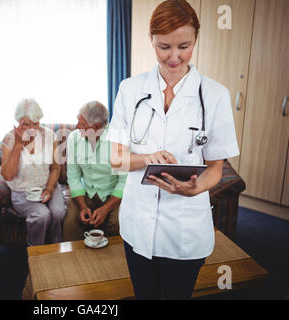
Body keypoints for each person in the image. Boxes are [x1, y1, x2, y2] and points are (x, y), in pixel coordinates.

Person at [107, 0, 239, 299]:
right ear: (151, 40)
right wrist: (146, 158)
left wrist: (194, 189)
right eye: (163, 47)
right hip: (138, 222)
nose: (174, 57)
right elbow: (116, 159)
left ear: (196, 39)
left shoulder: (215, 95)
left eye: (184, 46)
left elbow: (216, 167)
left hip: (185, 226)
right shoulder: (130, 89)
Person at [0, 98, 66, 246]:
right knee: (42, 215)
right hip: (22, 191)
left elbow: (56, 167)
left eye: (36, 124)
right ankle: (36, 253)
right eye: (27, 125)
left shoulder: (49, 135)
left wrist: (49, 188)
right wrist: (18, 145)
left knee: (58, 211)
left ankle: (56, 249)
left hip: (48, 186)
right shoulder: (10, 139)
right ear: (18, 122)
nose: (33, 129)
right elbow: (8, 175)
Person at [63, 101, 126, 241]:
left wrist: (106, 208)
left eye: (82, 124)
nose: (77, 126)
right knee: (71, 222)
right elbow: (73, 176)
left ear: (96, 127)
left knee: (118, 223)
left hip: (113, 195)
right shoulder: (74, 138)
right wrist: (83, 206)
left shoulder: (119, 140)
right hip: (86, 194)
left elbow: (124, 181)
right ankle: (73, 259)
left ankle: (114, 261)